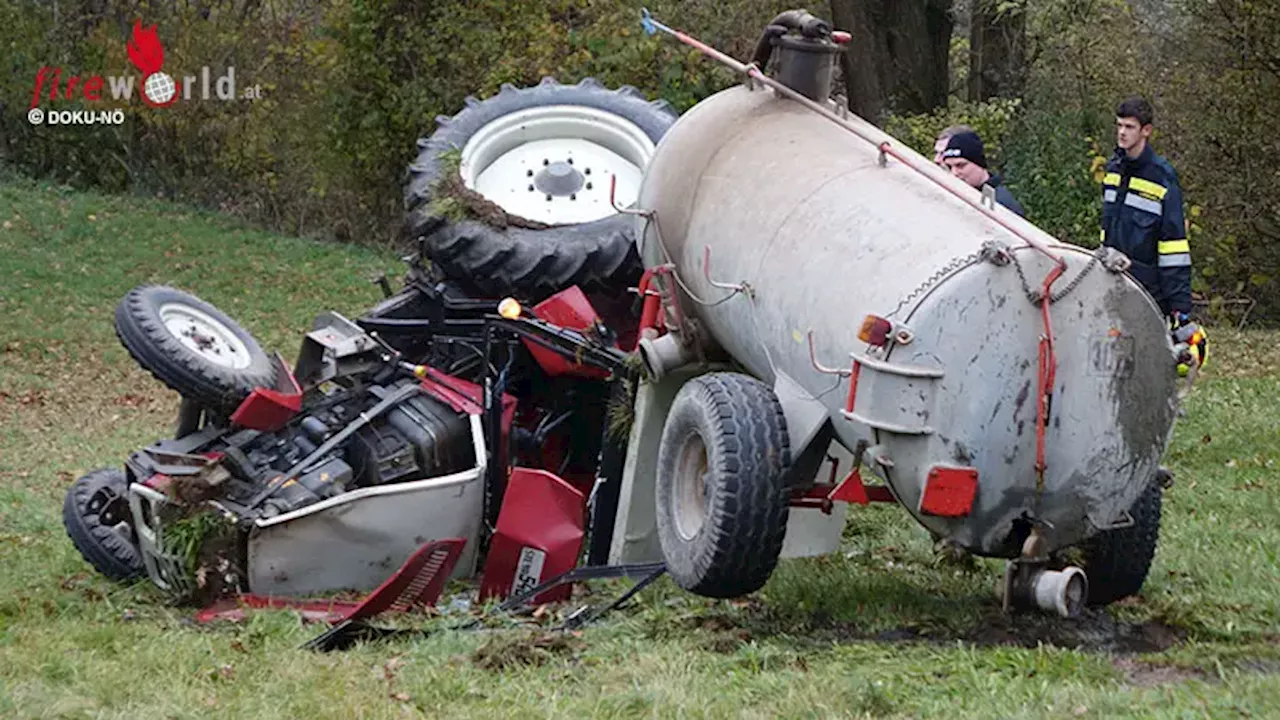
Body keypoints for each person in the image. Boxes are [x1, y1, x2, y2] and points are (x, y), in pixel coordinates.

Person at [1099, 96, 1205, 372]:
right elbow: (1107, 231)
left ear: (1146, 131)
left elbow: (1174, 248)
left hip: (1149, 290)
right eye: (1119, 125)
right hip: (1113, 283)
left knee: (1145, 368)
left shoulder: (1161, 177)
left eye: (1130, 127)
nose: (1122, 132)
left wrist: (1180, 311)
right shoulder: (1113, 171)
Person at [939, 130, 1027, 217]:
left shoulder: (1000, 202)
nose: (954, 173)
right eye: (949, 167)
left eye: (960, 165)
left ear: (979, 164)